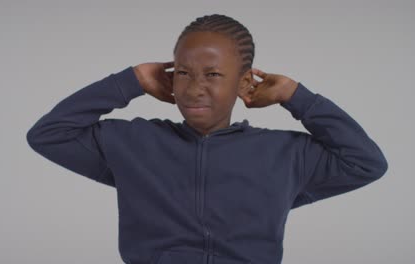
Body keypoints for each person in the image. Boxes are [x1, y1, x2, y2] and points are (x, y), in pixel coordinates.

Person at [26, 14, 388, 264]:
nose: (194, 88)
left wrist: (296, 95)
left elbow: (364, 162)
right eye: (183, 72)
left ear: (245, 83)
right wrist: (130, 80)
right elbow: (49, 134)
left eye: (213, 73)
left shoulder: (285, 154)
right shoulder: (132, 143)